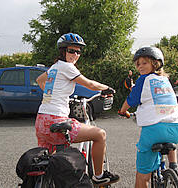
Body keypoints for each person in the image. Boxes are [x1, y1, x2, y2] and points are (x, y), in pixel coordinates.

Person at [35, 33, 119, 186]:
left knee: (51, 162)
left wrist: (52, 95)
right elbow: (89, 84)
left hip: (41, 120)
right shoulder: (67, 67)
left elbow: (40, 80)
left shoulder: (54, 67)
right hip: (56, 118)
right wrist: (107, 88)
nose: (75, 55)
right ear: (63, 51)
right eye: (71, 51)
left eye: (78, 52)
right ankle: (99, 176)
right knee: (100, 135)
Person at [118, 47, 178, 188]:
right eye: (138, 64)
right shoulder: (164, 80)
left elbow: (131, 100)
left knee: (142, 175)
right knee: (168, 129)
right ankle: (174, 165)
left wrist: (122, 111)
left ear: (155, 64)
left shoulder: (143, 79)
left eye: (144, 63)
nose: (140, 66)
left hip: (154, 131)